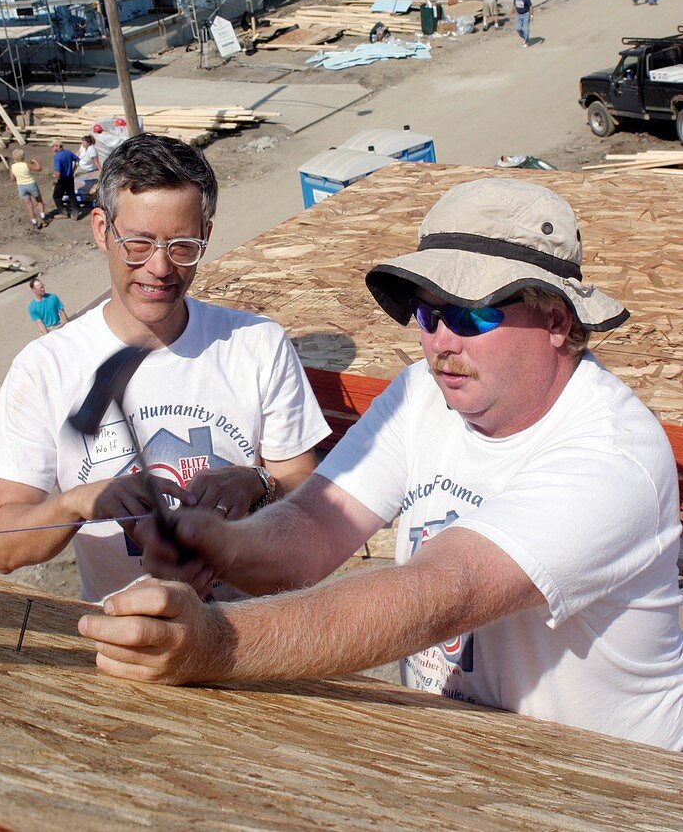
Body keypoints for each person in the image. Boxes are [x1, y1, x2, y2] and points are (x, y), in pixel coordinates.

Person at [76, 177, 683, 751]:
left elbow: (440, 592)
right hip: (467, 758)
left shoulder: (612, 457)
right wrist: (221, 542)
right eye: (427, 312)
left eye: (473, 314)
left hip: (604, 783)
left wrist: (216, 642)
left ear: (556, 319)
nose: (442, 340)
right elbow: (316, 525)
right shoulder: (424, 391)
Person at [0, 134, 330, 604]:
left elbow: (304, 492)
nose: (160, 267)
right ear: (101, 229)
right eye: (138, 243)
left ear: (206, 234)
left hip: (252, 634)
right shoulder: (45, 368)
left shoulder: (257, 344)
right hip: (122, 644)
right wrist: (76, 503)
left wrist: (260, 484)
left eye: (183, 246)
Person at [9, 148, 48, 230]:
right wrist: (35, 162)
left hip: (21, 186)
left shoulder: (13, 167)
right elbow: (38, 168)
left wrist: (19, 179)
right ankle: (43, 218)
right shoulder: (26, 165)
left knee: (29, 205)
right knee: (39, 200)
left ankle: (34, 222)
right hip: (31, 184)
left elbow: (12, 179)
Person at [52, 140, 80, 218]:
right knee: (71, 195)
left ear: (57, 146)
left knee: (56, 196)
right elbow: (77, 160)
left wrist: (56, 180)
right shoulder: (68, 152)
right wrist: (73, 170)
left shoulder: (57, 157)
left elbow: (58, 171)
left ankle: (63, 212)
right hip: (70, 177)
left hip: (62, 179)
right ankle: (75, 212)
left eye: (53, 146)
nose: (52, 148)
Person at [75, 132, 101, 206]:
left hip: (89, 169)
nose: (82, 143)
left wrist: (100, 170)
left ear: (88, 142)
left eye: (84, 142)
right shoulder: (82, 147)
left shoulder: (91, 149)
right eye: (82, 142)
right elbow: (78, 153)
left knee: (87, 183)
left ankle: (87, 195)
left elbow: (95, 161)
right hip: (81, 166)